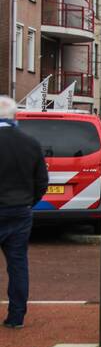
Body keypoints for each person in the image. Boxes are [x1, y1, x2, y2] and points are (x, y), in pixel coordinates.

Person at [0, 96, 48, 329]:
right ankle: (16, 315)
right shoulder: (31, 143)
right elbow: (42, 182)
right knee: (18, 264)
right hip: (20, 211)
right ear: (14, 117)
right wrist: (29, 202)